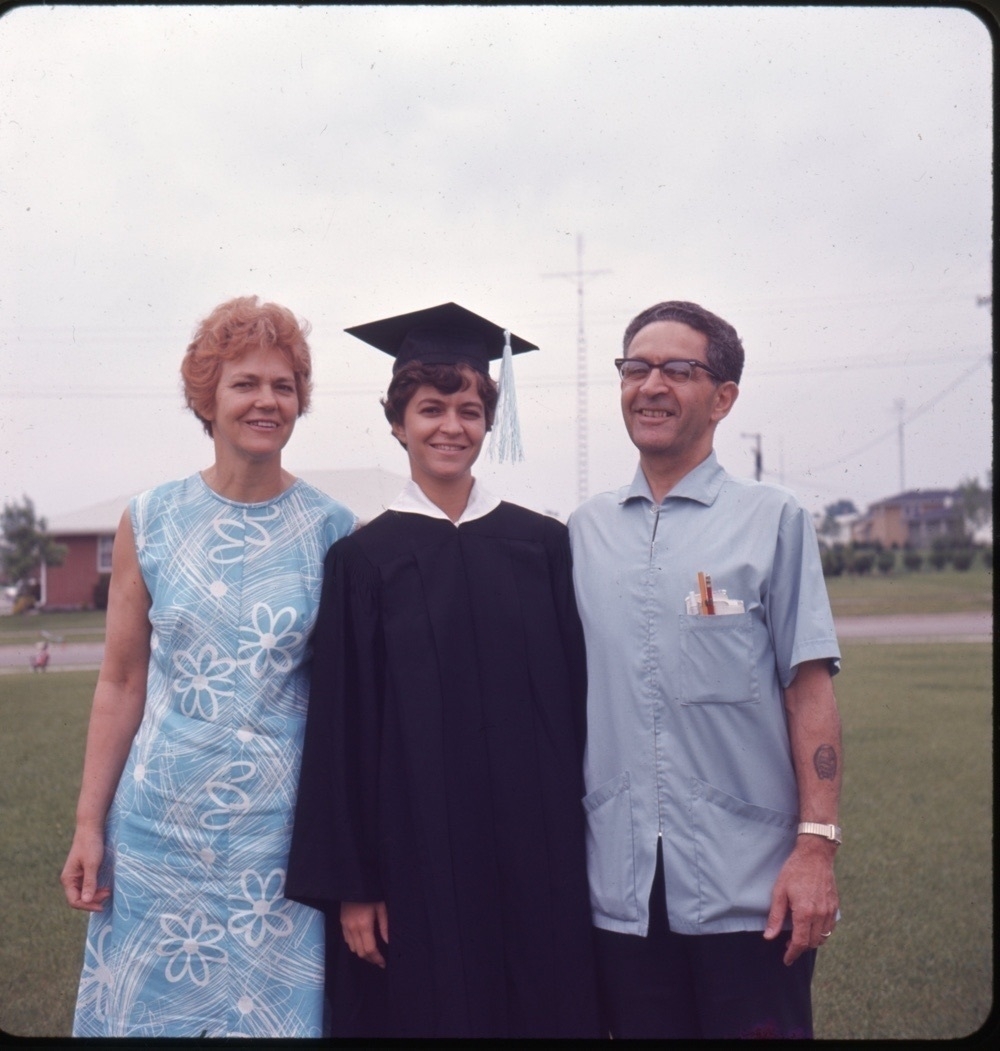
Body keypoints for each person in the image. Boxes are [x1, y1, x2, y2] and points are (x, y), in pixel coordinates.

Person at [286, 302, 599, 1038]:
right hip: (414, 862)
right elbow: (342, 732)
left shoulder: (542, 546)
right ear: (397, 422)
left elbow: (580, 707)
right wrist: (355, 888)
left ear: (491, 420)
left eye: (468, 408)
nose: (450, 426)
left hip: (539, 856)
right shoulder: (363, 562)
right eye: (430, 408)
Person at [60, 296, 356, 1038]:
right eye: (246, 383)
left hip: (277, 842)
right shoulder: (150, 519)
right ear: (208, 397)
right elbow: (122, 680)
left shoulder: (334, 531)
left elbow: (344, 704)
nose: (267, 401)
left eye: (284, 386)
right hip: (159, 829)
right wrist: (89, 823)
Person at [568, 300, 843, 1039]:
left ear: (723, 397)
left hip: (750, 889)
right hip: (619, 893)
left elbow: (808, 688)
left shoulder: (772, 519)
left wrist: (816, 848)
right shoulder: (582, 533)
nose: (650, 385)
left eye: (678, 369)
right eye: (636, 367)